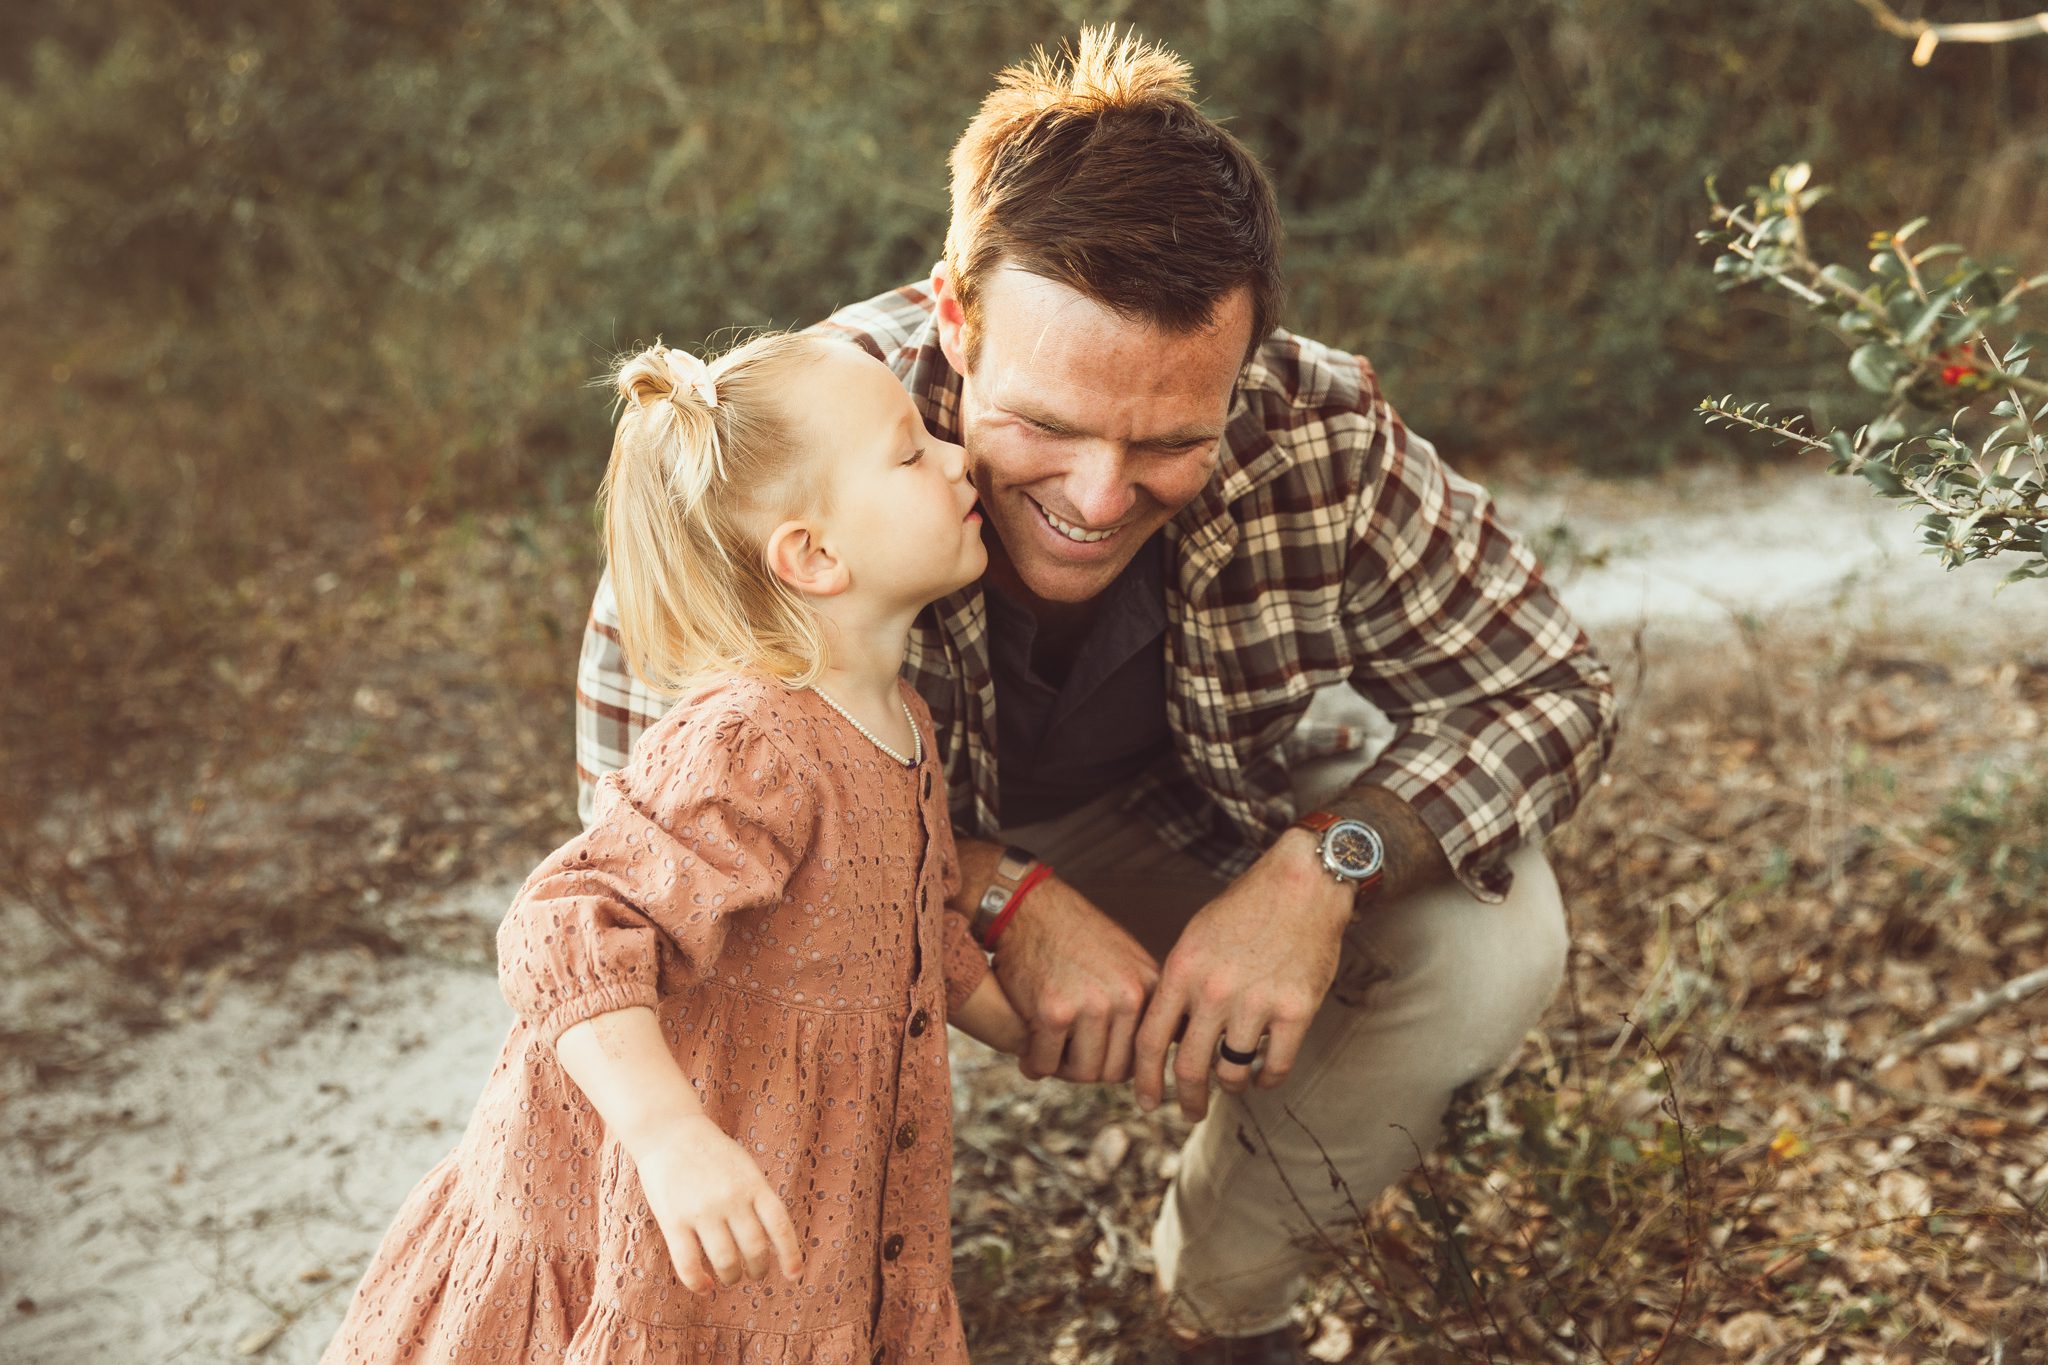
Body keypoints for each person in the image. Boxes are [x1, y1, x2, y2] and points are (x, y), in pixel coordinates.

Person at [576, 29, 1618, 1363]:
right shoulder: (772, 452)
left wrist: (1321, 866)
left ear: (1243, 362)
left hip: (1173, 820)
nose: (1098, 496)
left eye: (1173, 438)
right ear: (955, 315)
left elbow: (1548, 681)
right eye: (1050, 426)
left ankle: (1224, 1302)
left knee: (1496, 942)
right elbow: (636, 831)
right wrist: (987, 887)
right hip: (856, 862)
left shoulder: (1317, 426)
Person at [323, 334, 1025, 1364]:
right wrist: (670, 1135)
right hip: (654, 1234)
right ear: (814, 555)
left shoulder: (901, 723)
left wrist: (1037, 1030)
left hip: (794, 1238)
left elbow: (906, 940)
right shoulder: (752, 741)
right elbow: (567, 928)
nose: (960, 456)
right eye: (911, 452)